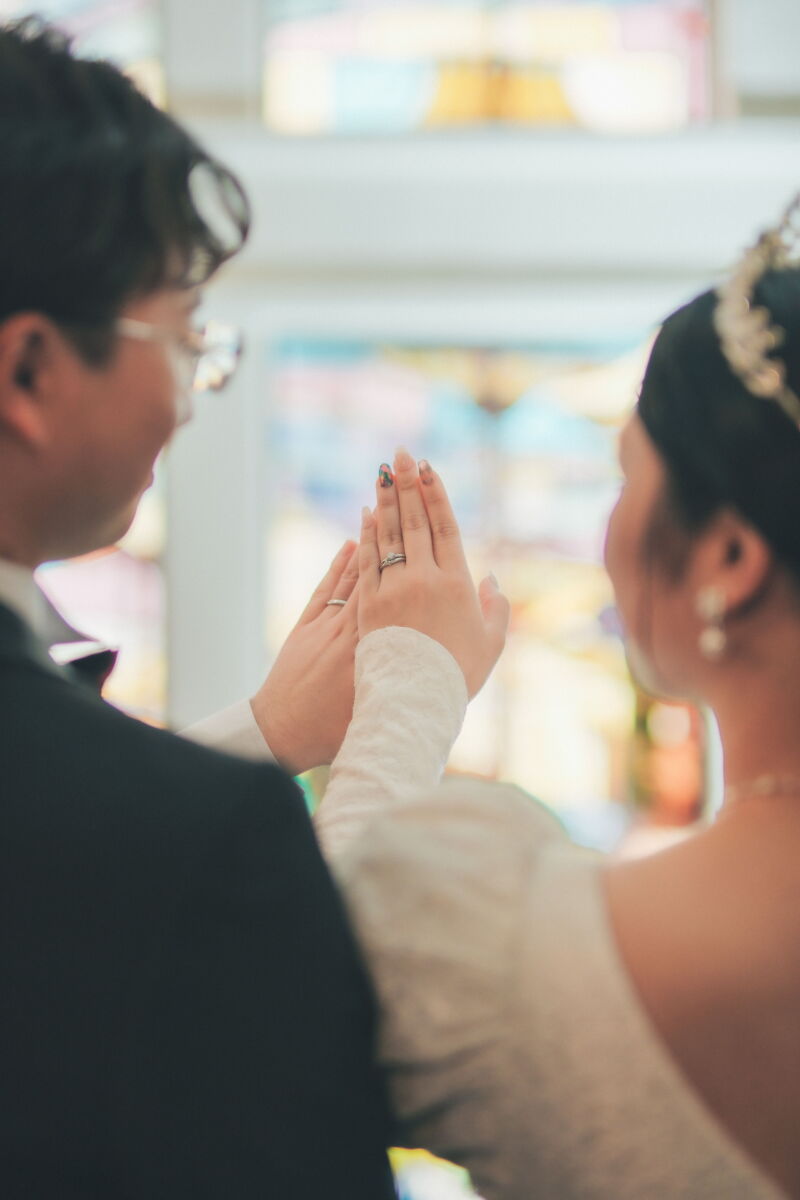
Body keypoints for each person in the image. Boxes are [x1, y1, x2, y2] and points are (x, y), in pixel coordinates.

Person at [314, 200, 800, 1198]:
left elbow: (280, 984)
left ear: (729, 556)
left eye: (624, 478)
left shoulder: (528, 953)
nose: (608, 530)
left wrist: (409, 691)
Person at [0, 18, 405, 1197]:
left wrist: (262, 733)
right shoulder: (191, 846)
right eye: (183, 342)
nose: (188, 401)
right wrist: (405, 707)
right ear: (27, 371)